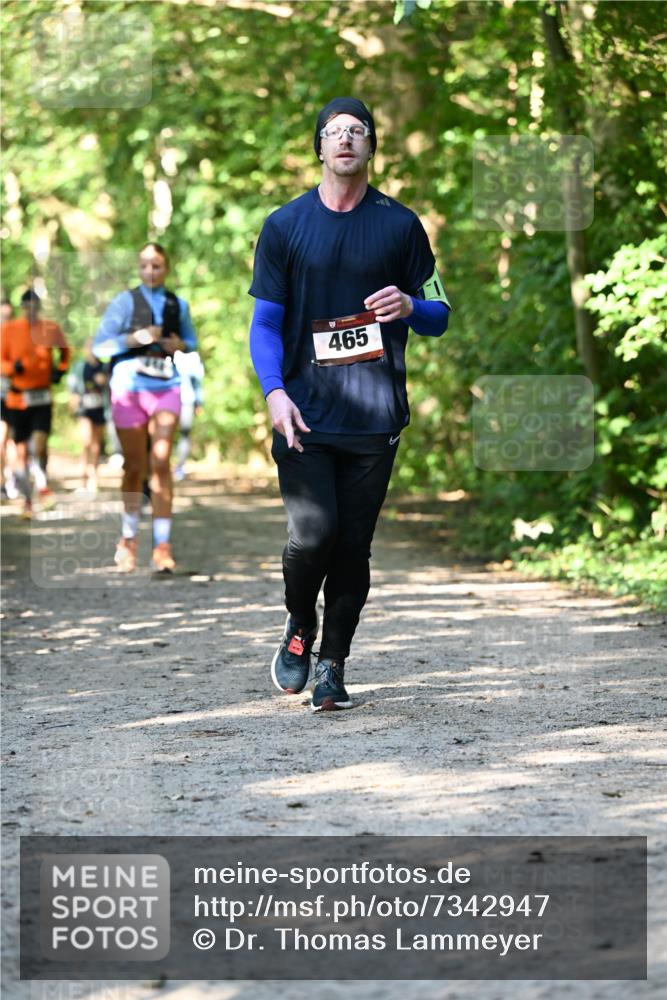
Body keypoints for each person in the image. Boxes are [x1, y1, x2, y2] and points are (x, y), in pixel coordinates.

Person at [249, 97, 451, 713]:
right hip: (304, 413)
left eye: (357, 132)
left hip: (374, 417)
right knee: (312, 537)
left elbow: (440, 313)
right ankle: (297, 626)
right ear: (319, 147)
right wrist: (274, 392)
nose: (345, 140)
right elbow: (264, 324)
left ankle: (333, 664)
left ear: (370, 148)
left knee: (352, 549)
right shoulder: (285, 226)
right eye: (334, 132)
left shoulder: (401, 226)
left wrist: (412, 307)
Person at [93, 243, 197, 573]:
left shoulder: (176, 304)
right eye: (144, 265)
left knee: (162, 461)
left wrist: (178, 344)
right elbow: (100, 345)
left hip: (166, 385)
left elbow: (191, 342)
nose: (150, 271)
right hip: (128, 387)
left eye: (156, 266)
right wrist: (133, 339)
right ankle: (128, 539)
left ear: (166, 268)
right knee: (135, 467)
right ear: (138, 269)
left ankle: (162, 547)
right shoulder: (125, 301)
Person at [1, 289, 70, 518]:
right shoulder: (9, 329)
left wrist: (60, 370)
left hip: (42, 395)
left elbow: (66, 352)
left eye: (35, 306)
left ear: (39, 308)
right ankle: (28, 501)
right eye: (27, 306)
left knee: (38, 445)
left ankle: (42, 483)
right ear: (22, 308)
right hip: (18, 398)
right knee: (21, 452)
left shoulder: (50, 328)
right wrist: (12, 369)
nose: (31, 310)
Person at [67, 339, 109, 493]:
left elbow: (111, 386)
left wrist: (105, 381)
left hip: (100, 409)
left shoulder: (105, 367)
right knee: (87, 442)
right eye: (88, 346)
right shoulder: (80, 366)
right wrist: (73, 402)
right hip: (84, 408)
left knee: (96, 445)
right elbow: (73, 387)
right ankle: (83, 478)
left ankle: (93, 478)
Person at [173, 348, 204, 482]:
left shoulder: (192, 356)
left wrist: (198, 402)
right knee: (182, 435)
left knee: (184, 435)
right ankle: (174, 468)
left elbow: (196, 382)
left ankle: (179, 467)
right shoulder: (162, 350)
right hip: (175, 400)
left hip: (186, 400)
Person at [1, 297, 19, 499]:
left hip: (17, 395)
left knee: (14, 441)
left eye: (8, 315)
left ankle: (13, 478)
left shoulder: (17, 337)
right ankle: (2, 482)